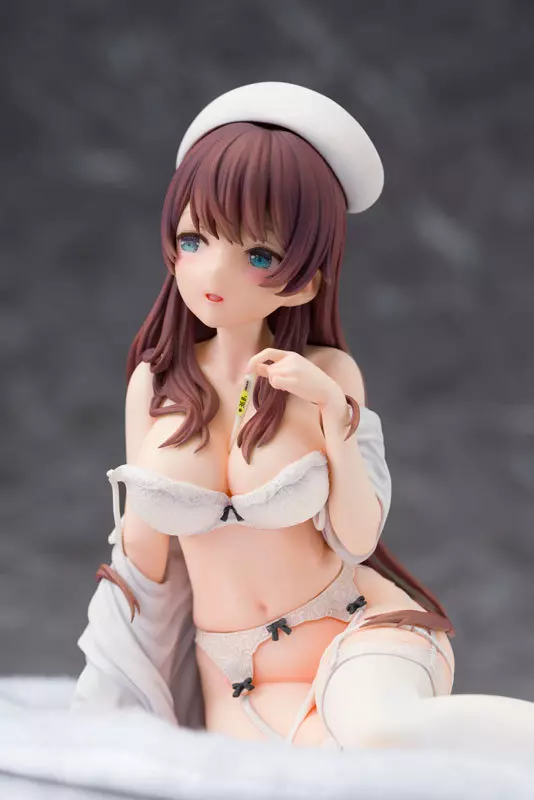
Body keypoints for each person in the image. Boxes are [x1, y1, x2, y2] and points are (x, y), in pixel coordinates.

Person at [71, 83, 534, 760]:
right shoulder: (154, 384)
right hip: (238, 677)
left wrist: (334, 415)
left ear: (305, 280)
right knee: (321, 778)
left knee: (378, 734)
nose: (214, 272)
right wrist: (113, 688)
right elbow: (144, 563)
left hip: (354, 629)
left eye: (257, 255)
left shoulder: (326, 372)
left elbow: (358, 537)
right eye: (195, 239)